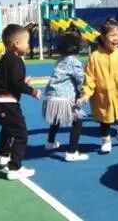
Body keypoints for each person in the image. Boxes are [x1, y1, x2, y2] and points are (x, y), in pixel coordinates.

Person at [78, 18, 118, 154]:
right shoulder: (95, 56)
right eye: (112, 35)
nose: (116, 39)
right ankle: (106, 141)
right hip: (102, 95)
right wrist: (86, 93)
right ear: (103, 37)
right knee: (105, 119)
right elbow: (89, 77)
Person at [0, 24, 40, 180]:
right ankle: (15, 168)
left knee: (8, 127)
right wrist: (32, 91)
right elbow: (16, 84)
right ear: (16, 43)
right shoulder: (16, 61)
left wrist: (22, 82)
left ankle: (3, 156)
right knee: (21, 134)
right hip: (5, 102)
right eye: (27, 42)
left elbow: (10, 81)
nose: (28, 45)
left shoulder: (5, 59)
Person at [42, 30, 89, 162]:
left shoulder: (60, 60)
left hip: (51, 95)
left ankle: (50, 142)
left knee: (56, 118)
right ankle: (72, 151)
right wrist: (84, 92)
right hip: (64, 97)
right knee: (77, 121)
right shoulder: (74, 61)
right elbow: (80, 79)